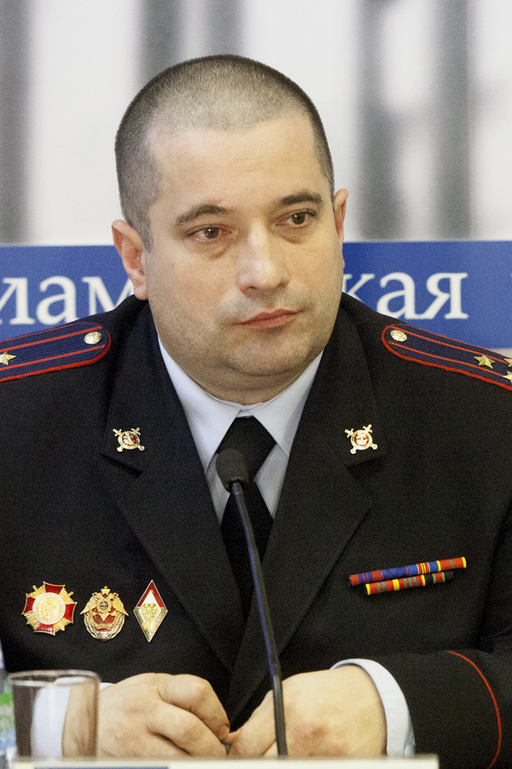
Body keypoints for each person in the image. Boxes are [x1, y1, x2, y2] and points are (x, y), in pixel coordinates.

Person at [0, 55, 511, 769]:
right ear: (136, 258)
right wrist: (56, 723)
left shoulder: (485, 420)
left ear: (338, 223)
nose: (265, 271)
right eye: (211, 232)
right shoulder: (19, 420)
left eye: (297, 219)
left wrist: (397, 706)